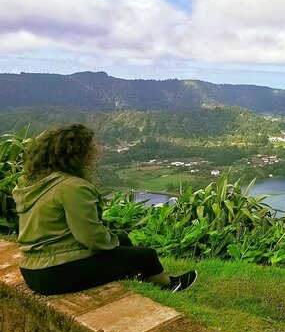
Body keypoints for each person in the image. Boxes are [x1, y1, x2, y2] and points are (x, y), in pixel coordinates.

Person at [12, 123, 196, 295]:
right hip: (55, 273)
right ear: (77, 153)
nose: (96, 151)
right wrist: (112, 244)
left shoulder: (40, 183)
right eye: (91, 148)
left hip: (32, 268)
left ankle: (136, 275)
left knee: (122, 239)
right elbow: (91, 238)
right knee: (147, 256)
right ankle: (169, 285)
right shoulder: (72, 187)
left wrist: (114, 242)